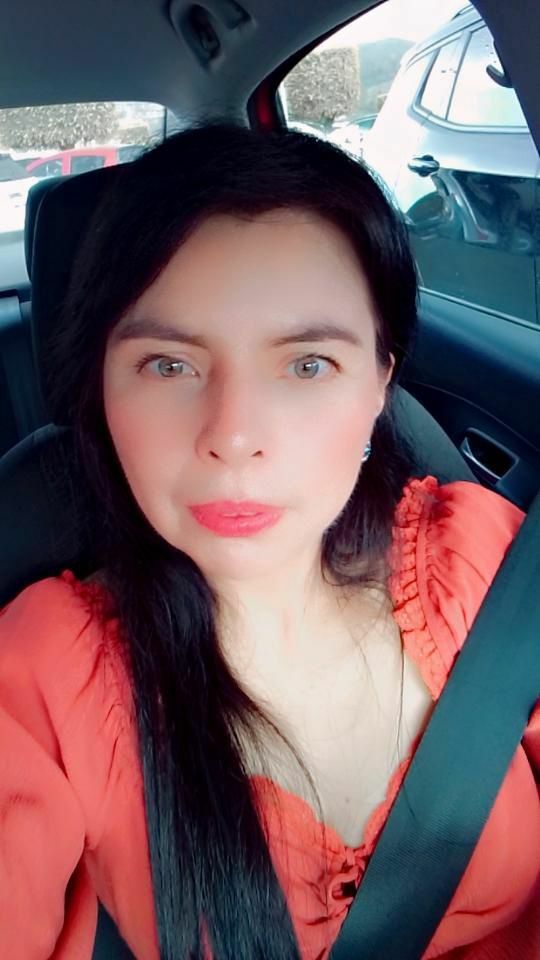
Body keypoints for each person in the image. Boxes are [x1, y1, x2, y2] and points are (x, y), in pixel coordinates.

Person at [0, 121, 538, 960]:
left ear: (381, 380)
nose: (234, 437)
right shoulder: (42, 676)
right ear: (101, 387)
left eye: (307, 364)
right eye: (169, 365)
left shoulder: (486, 566)